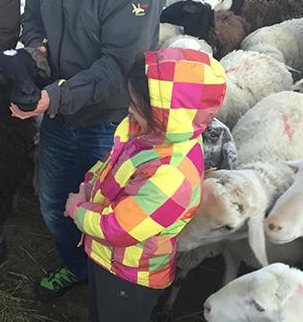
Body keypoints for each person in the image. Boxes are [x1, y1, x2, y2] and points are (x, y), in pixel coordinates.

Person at [15, 0, 168, 298]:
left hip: (113, 120)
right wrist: (37, 48)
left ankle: (109, 287)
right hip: (61, 115)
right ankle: (76, 267)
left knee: (112, 215)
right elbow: (31, 21)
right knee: (53, 204)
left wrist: (53, 97)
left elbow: (116, 67)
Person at [64, 48, 227, 321]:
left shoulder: (172, 175)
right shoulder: (147, 133)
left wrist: (77, 208)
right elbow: (113, 164)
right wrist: (89, 185)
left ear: (165, 113)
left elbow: (118, 228)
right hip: (107, 256)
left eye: (136, 105)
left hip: (130, 275)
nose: (129, 109)